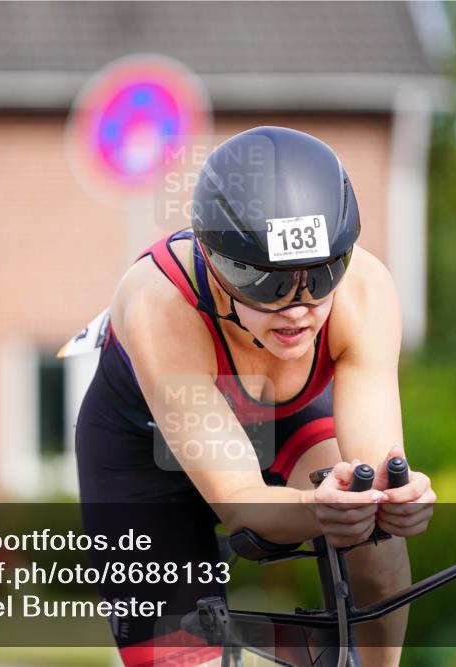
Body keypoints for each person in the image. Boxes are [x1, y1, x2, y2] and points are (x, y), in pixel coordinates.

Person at [75, 126, 436, 667]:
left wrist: (388, 500)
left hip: (284, 418)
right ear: (217, 268)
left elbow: (376, 467)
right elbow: (240, 498)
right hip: (141, 452)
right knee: (180, 653)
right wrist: (323, 508)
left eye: (320, 275)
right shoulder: (160, 305)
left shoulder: (365, 290)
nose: (298, 308)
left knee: (378, 549)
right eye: (267, 285)